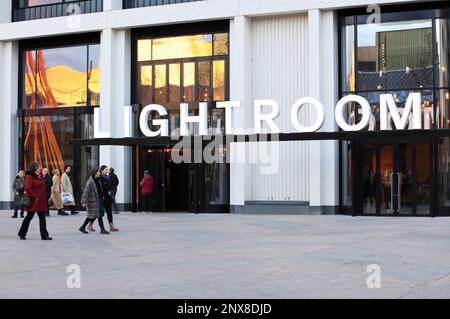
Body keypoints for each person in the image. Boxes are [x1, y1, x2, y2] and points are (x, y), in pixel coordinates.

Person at [18, 162, 52, 240]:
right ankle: (21, 233)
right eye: (38, 167)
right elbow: (28, 188)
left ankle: (44, 235)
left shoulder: (39, 176)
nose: (39, 168)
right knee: (29, 217)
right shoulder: (29, 176)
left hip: (40, 201)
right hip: (34, 201)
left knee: (42, 218)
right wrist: (35, 196)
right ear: (34, 168)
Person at [79, 168, 109, 235]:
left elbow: (99, 190)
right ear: (95, 173)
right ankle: (102, 229)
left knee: (95, 215)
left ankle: (82, 227)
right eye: (98, 172)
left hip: (99, 200)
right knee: (97, 215)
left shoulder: (97, 180)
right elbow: (86, 192)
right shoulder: (90, 181)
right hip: (93, 201)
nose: (99, 173)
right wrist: (83, 201)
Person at [98, 165, 119, 232]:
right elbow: (101, 187)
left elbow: (110, 185)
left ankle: (111, 226)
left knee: (109, 212)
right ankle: (89, 224)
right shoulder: (100, 177)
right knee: (98, 213)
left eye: (107, 169)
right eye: (106, 169)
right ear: (102, 170)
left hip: (107, 196)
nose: (107, 170)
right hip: (102, 197)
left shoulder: (108, 177)